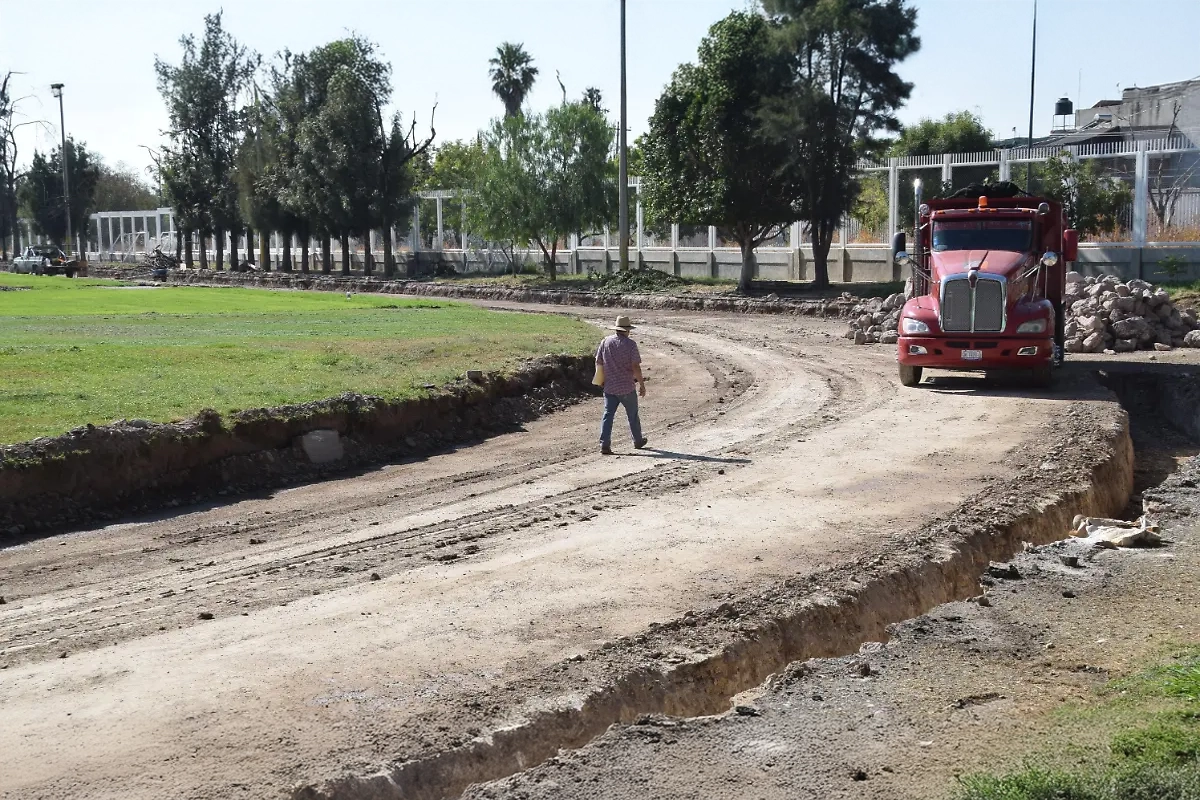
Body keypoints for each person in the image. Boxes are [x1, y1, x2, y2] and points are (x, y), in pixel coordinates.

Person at [595, 315, 648, 455]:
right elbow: (635, 367)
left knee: (608, 415)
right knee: (632, 415)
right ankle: (637, 440)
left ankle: (604, 444)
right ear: (627, 330)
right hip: (626, 387)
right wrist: (642, 384)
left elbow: (599, 362)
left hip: (609, 386)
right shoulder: (631, 345)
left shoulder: (605, 342)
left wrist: (600, 380)